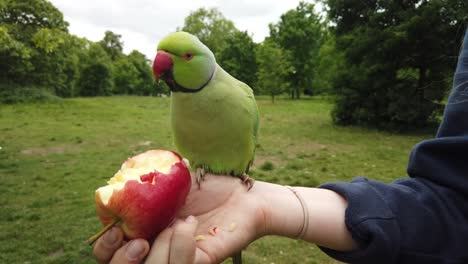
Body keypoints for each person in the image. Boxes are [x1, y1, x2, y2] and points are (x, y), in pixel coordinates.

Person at [93, 29, 468, 264]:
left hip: (238, 170)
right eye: (168, 58)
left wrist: (244, 179)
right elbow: (449, 200)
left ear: (206, 63)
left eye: (186, 57)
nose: (169, 64)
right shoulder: (178, 104)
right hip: (203, 174)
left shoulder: (242, 97)